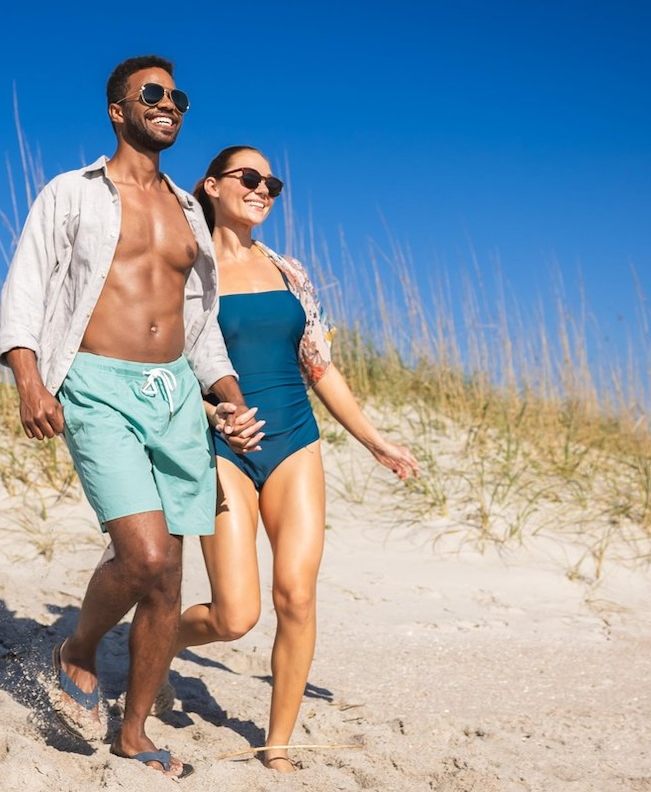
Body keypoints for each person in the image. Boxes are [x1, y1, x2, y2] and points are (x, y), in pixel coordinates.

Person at [0, 55, 260, 780]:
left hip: (175, 395)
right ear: (119, 110)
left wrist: (229, 400)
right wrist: (29, 378)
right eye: (153, 94)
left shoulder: (189, 215)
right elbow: (25, 287)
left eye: (177, 96)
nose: (169, 104)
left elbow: (200, 326)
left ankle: (133, 732)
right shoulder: (71, 194)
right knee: (143, 555)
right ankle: (78, 649)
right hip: (96, 385)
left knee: (170, 579)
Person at [173, 146, 421, 773]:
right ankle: (158, 638)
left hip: (294, 440)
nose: (263, 189)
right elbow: (170, 366)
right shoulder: (187, 270)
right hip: (224, 446)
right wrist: (211, 415)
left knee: (297, 596)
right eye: (249, 178)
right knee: (235, 615)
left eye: (272, 183)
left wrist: (374, 439)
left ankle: (277, 746)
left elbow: (320, 366)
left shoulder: (290, 272)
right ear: (212, 186)